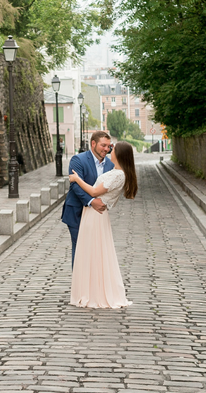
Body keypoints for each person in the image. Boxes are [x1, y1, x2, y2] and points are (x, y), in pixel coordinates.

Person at [68, 141, 138, 308]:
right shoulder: (115, 171)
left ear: (119, 154)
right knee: (92, 253)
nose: (109, 151)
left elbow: (93, 192)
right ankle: (92, 290)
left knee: (94, 253)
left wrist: (77, 179)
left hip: (96, 215)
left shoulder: (118, 175)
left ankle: (95, 293)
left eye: (112, 149)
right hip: (93, 214)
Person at [61, 131, 114, 267]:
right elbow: (76, 186)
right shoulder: (78, 160)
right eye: (103, 145)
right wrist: (92, 202)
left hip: (97, 216)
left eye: (108, 146)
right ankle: (78, 285)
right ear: (93, 143)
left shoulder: (110, 165)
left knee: (94, 250)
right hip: (76, 212)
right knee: (80, 248)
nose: (106, 149)